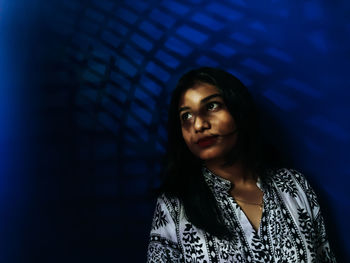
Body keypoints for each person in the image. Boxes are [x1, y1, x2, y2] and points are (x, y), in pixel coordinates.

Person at [147, 67, 336, 262]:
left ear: (238, 110)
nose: (198, 125)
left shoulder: (293, 186)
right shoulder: (174, 205)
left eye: (211, 106)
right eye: (186, 116)